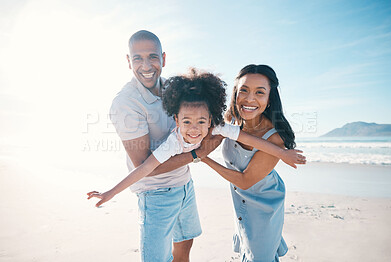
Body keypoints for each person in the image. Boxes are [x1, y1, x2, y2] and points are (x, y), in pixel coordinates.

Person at [87, 69, 305, 208]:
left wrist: (283, 153)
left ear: (210, 119)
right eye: (186, 122)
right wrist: (111, 192)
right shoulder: (173, 143)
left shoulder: (218, 126)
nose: (194, 129)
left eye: (201, 121)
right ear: (176, 119)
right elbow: (144, 169)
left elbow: (252, 139)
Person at [91, 30, 222, 262]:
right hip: (155, 194)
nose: (146, 65)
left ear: (163, 58)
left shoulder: (174, 88)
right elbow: (143, 164)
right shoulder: (125, 104)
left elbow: (204, 116)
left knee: (184, 247)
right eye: (137, 58)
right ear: (128, 61)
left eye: (152, 56)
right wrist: (197, 154)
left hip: (184, 184)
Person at [201, 64, 302, 261]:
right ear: (236, 93)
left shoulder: (275, 138)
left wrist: (204, 160)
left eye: (259, 92)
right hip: (241, 203)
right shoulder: (233, 119)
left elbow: (245, 181)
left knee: (260, 257)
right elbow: (208, 137)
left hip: (264, 204)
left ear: (270, 98)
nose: (249, 99)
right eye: (244, 91)